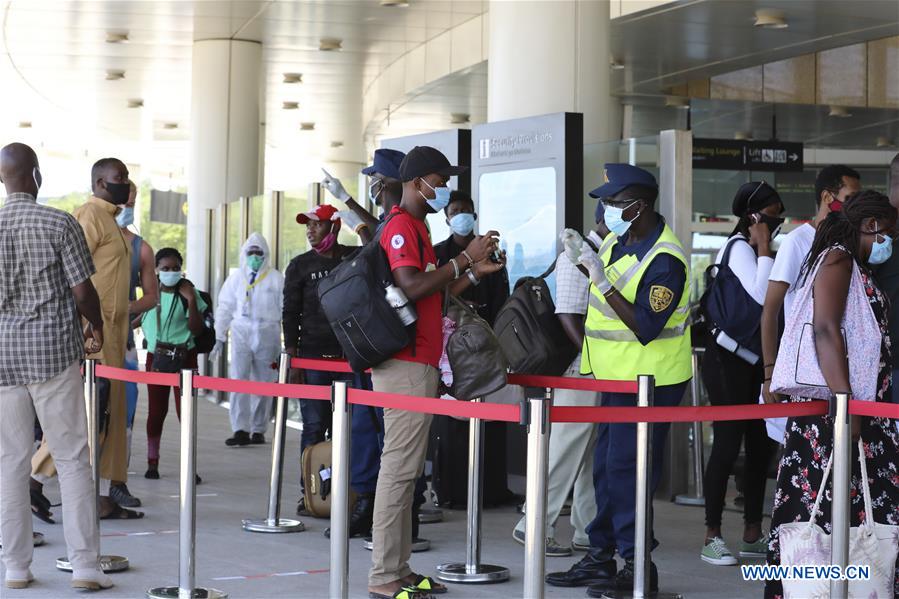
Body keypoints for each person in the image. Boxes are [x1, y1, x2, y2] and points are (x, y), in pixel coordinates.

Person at [546, 164, 691, 595]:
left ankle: (637, 567)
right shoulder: (617, 240)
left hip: (650, 383)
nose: (605, 209)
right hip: (615, 381)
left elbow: (645, 325)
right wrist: (583, 260)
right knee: (608, 471)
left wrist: (601, 279)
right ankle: (601, 556)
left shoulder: (666, 259)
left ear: (637, 206)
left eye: (612, 202)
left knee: (629, 472)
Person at [367, 145, 504, 599]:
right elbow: (409, 285)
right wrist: (463, 259)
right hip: (403, 363)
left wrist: (473, 272)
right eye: (440, 181)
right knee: (398, 471)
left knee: (407, 473)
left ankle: (400, 568)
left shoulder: (419, 226)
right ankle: (383, 577)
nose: (444, 189)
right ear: (417, 182)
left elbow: (432, 295)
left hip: (420, 360)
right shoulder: (403, 226)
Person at [764, 190, 899, 599]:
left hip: (856, 410)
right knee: (823, 514)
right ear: (871, 226)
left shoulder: (851, 263)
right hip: (835, 414)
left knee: (859, 519)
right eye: (888, 233)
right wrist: (845, 405)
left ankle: (852, 589)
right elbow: (825, 328)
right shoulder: (838, 259)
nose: (890, 242)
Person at [0, 142, 112, 590]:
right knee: (70, 458)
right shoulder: (59, 222)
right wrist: (97, 325)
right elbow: (83, 291)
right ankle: (85, 567)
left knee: (10, 462)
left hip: (4, 358)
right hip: (52, 355)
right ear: (37, 175)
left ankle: (16, 568)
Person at [31, 156, 139, 519]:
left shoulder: (110, 219)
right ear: (99, 183)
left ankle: (100, 496)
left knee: (108, 419)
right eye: (118, 177)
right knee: (88, 418)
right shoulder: (89, 216)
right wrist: (85, 328)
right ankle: (34, 481)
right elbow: (71, 279)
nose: (125, 182)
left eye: (125, 176)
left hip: (113, 337)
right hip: (92, 336)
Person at [511, 203, 606, 556]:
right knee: (565, 451)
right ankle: (533, 523)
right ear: (603, 215)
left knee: (588, 453)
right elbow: (568, 316)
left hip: (593, 370)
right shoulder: (575, 255)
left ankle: (586, 527)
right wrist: (594, 360)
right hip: (579, 370)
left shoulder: (599, 254)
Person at [283, 204, 382, 538]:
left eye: (317, 225)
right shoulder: (299, 266)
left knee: (358, 426)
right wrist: (293, 359)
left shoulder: (354, 258)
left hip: (349, 357)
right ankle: (309, 490)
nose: (310, 231)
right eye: (307, 226)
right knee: (314, 424)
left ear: (334, 227)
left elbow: (375, 246)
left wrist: (359, 223)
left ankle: (354, 491)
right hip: (311, 358)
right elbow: (290, 313)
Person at [699, 181, 783, 566]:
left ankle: (753, 532)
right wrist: (764, 246)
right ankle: (712, 534)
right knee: (728, 442)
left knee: (759, 445)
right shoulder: (738, 248)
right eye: (772, 212)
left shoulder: (759, 251)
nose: (778, 218)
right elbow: (761, 294)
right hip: (726, 359)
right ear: (753, 217)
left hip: (754, 358)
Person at [761, 166, 861, 428]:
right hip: (806, 373)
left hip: (843, 369)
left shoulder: (851, 243)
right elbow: (770, 310)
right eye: (850, 198)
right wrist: (769, 372)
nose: (856, 206)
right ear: (828, 198)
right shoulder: (797, 242)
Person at [432, 190, 514, 508]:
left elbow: (500, 300)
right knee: (453, 419)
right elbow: (437, 295)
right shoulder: (440, 254)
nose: (462, 215)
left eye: (467, 210)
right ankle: (451, 491)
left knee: (491, 418)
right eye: (456, 210)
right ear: (447, 216)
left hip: (485, 342)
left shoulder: (490, 253)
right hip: (451, 345)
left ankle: (493, 490)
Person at [140, 248, 207, 480]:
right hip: (156, 358)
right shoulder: (151, 295)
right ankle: (152, 462)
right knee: (156, 412)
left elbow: (196, 330)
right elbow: (136, 318)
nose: (171, 272)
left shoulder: (190, 293)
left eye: (175, 268)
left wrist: (190, 300)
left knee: (186, 413)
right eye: (165, 269)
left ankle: (190, 466)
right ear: (156, 270)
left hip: (184, 358)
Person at [213, 233, 283, 446]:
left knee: (265, 381)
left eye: (258, 253)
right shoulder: (236, 278)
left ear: (266, 254)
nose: (255, 256)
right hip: (241, 331)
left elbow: (286, 308)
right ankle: (240, 429)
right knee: (238, 380)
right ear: (244, 254)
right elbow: (225, 306)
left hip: (268, 332)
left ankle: (258, 429)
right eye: (251, 252)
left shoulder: (276, 278)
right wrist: (219, 335)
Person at [119, 180, 158, 470]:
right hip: (84, 341)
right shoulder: (83, 237)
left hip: (124, 342)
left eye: (131, 203)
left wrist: (123, 311)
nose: (125, 208)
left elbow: (151, 297)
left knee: (126, 413)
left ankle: (117, 481)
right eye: (122, 202)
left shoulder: (140, 247)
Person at [321, 148, 406, 243]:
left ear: (380, 184)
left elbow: (375, 255)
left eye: (373, 178)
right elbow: (378, 229)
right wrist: (344, 197)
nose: (371, 184)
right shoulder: (393, 216)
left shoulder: (400, 222)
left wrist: (361, 229)